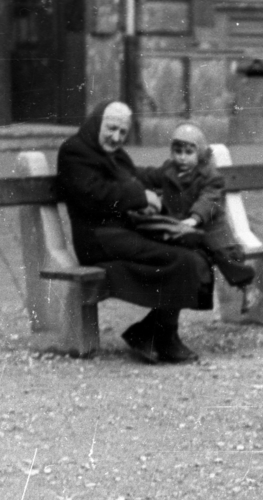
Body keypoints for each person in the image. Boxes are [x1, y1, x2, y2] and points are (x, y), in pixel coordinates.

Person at [56, 101, 213, 365]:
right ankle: (156, 334)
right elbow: (94, 195)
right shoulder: (74, 152)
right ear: (97, 122)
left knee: (192, 249)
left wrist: (171, 174)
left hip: (123, 233)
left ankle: (155, 334)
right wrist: (141, 197)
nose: (116, 137)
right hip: (99, 239)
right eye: (111, 129)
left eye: (122, 132)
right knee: (177, 256)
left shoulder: (113, 154)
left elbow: (133, 176)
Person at [143, 122, 257, 291]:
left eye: (189, 152)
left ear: (200, 153)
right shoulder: (169, 170)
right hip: (184, 230)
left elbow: (209, 199)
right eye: (178, 151)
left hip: (211, 229)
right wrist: (129, 174)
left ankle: (247, 286)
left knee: (225, 256)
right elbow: (150, 176)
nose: (182, 157)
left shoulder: (210, 176)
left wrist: (195, 218)